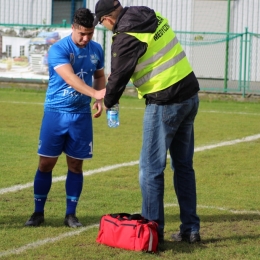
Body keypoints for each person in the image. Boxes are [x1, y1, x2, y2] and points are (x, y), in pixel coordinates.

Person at [93, 0, 201, 243]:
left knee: (150, 171)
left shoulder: (125, 36)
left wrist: (107, 101)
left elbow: (119, 75)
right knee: (183, 167)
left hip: (165, 102)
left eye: (102, 24)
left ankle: (153, 233)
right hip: (190, 95)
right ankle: (191, 230)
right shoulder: (150, 14)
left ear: (108, 19)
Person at [25, 8, 106, 228]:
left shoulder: (96, 49)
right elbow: (70, 78)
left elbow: (99, 76)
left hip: (80, 116)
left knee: (76, 165)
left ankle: (71, 214)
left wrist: (99, 99)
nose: (86, 38)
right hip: (55, 112)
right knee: (46, 163)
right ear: (73, 27)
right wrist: (95, 93)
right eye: (82, 33)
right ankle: (38, 212)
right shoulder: (58, 49)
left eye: (90, 33)